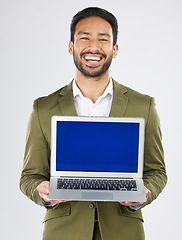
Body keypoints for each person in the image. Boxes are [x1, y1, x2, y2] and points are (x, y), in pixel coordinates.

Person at [20, 7, 167, 240]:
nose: (94, 47)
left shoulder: (144, 106)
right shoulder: (43, 108)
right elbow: (30, 175)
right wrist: (41, 191)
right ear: (71, 47)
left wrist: (144, 192)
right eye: (84, 37)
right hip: (64, 232)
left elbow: (157, 171)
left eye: (103, 39)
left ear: (114, 49)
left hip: (123, 230)